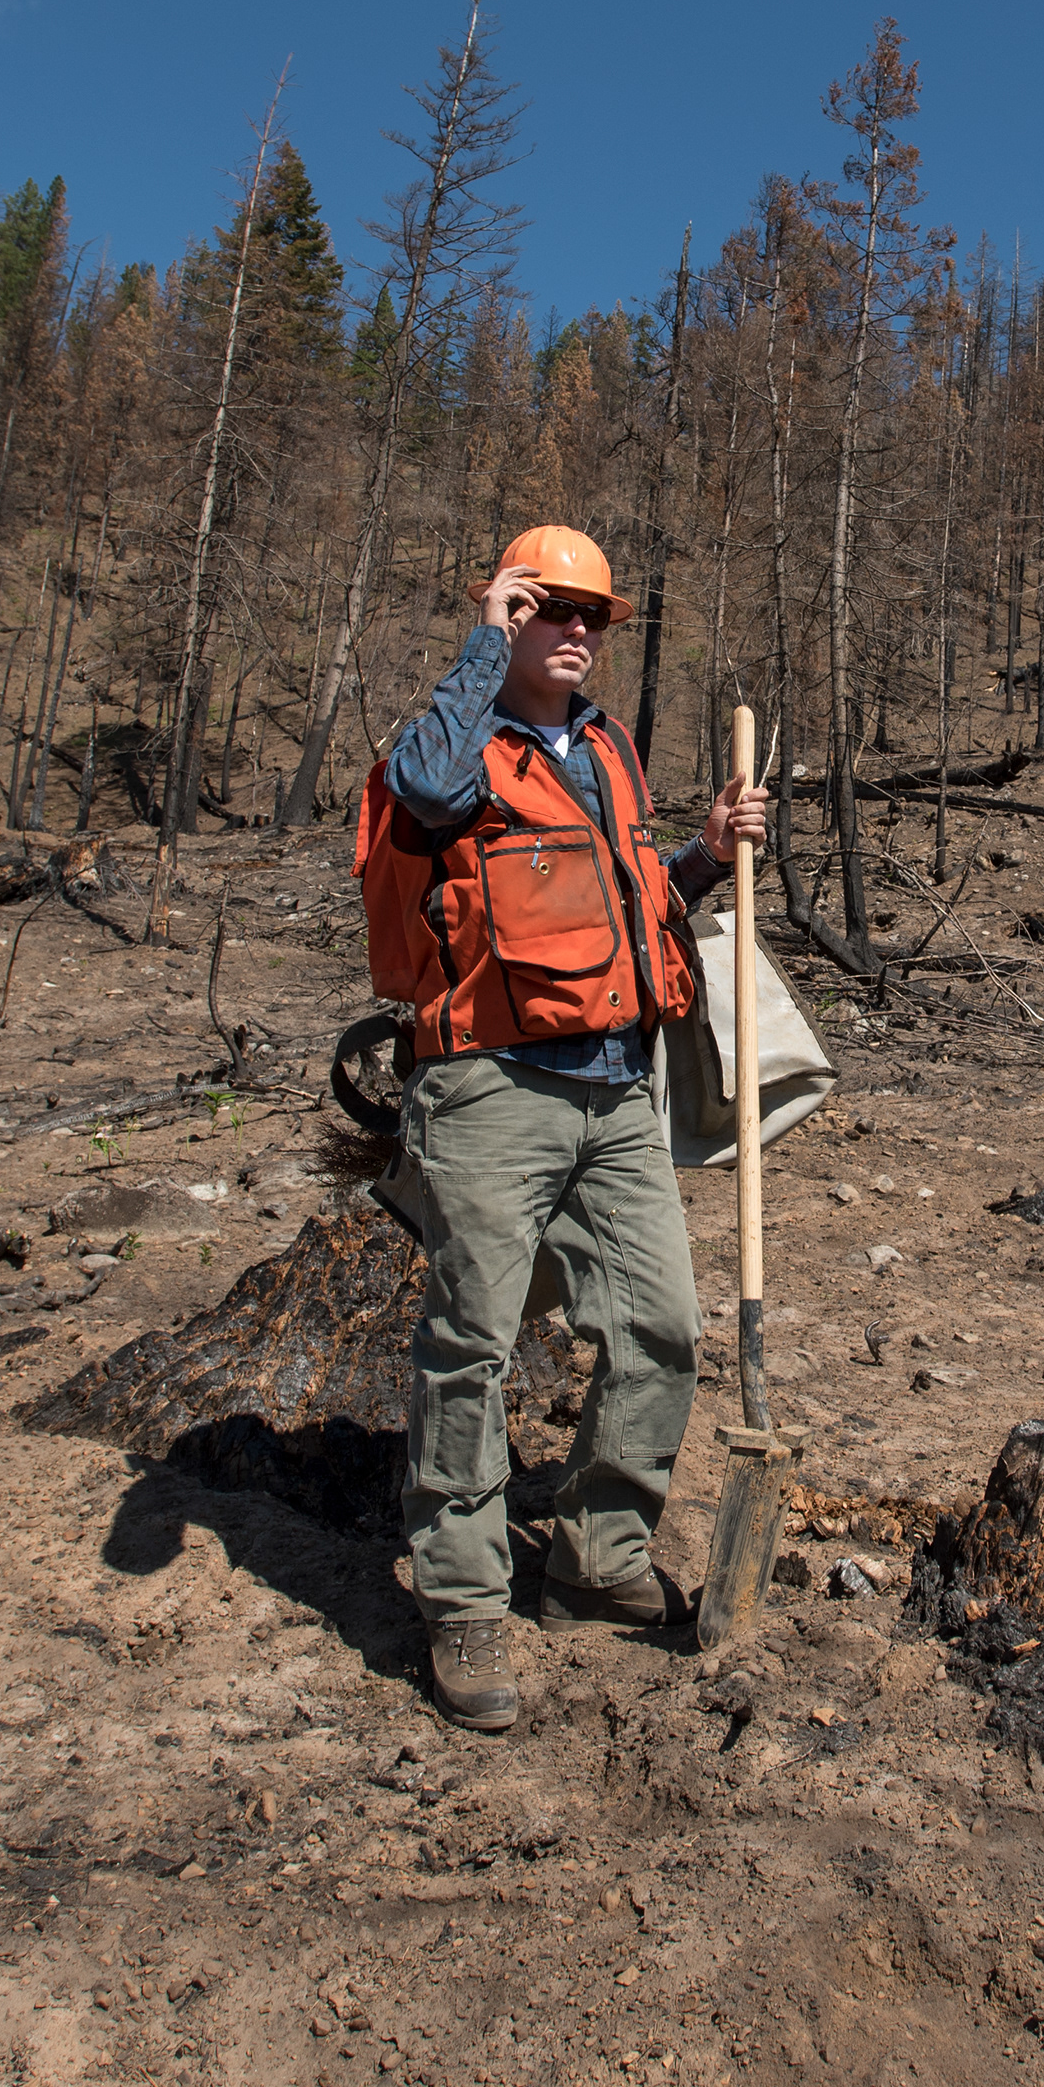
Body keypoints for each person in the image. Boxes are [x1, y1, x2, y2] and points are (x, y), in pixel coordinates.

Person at [357, 524, 767, 1732]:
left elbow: (630, 904)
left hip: (616, 1089)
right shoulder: (458, 739)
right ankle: (466, 1600)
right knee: (472, 1342)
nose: (578, 628)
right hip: (491, 1085)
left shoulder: (608, 753)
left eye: (594, 612)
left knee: (662, 1325)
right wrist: (482, 640)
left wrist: (703, 853)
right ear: (511, 616)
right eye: (551, 607)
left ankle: (594, 1558)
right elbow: (420, 795)